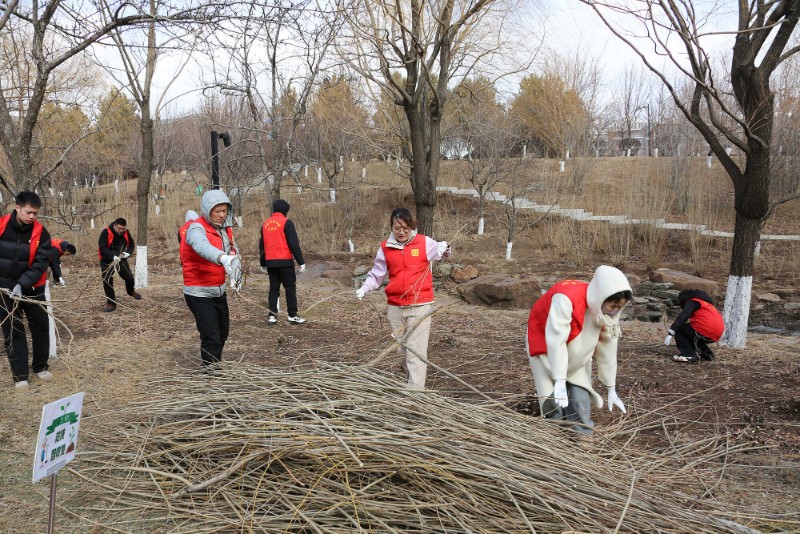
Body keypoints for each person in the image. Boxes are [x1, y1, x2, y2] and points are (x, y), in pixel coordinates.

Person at [526, 265, 632, 438]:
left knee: (580, 391)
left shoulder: (605, 312)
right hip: (544, 343)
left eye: (618, 308)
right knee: (552, 398)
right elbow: (556, 338)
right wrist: (559, 379)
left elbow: (608, 345)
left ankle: (582, 436)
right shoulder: (565, 298)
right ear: (601, 297)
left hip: (578, 345)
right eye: (612, 306)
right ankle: (554, 434)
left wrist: (611, 387)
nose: (614, 312)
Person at [355, 208, 451, 389]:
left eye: (405, 228)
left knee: (416, 351)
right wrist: (365, 287)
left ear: (411, 227)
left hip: (420, 304)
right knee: (402, 351)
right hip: (395, 306)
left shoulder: (424, 242)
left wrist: (444, 249)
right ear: (391, 227)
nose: (401, 232)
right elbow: (377, 273)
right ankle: (410, 385)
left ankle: (415, 395)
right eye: (397, 228)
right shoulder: (385, 247)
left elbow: (441, 253)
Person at [0, 191, 53, 389]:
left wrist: (22, 283)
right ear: (17, 208)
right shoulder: (1, 226)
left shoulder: (41, 233)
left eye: (35, 213)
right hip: (4, 291)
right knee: (13, 331)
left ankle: (40, 367)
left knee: (40, 327)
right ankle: (20, 376)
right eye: (29, 212)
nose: (32, 217)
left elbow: (41, 263)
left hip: (32, 288)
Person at [181, 190, 240, 367]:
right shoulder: (195, 228)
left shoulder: (224, 230)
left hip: (218, 290)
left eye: (224, 211)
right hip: (199, 292)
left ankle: (214, 364)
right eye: (218, 211)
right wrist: (222, 258)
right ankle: (211, 376)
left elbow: (233, 252)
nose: (222, 215)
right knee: (211, 336)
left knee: (222, 333)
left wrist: (236, 274)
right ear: (207, 210)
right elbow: (201, 246)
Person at [259, 199, 307, 325]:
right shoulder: (286, 222)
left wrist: (263, 263)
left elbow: (262, 246)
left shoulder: (265, 224)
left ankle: (272, 316)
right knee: (290, 288)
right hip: (285, 262)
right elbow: (293, 244)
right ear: (285, 210)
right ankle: (292, 315)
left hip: (270, 263)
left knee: (273, 289)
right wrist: (301, 262)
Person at [665, 289, 724, 363]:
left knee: (680, 330)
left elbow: (683, 316)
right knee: (693, 337)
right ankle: (708, 355)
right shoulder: (708, 305)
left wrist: (672, 331)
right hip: (716, 334)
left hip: (704, 329)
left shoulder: (693, 301)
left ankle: (688, 354)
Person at [98, 217, 140, 312]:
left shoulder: (126, 232)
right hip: (107, 260)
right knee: (107, 281)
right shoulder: (105, 232)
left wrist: (127, 253)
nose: (121, 231)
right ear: (115, 225)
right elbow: (102, 248)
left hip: (121, 259)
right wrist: (112, 257)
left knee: (129, 278)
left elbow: (131, 245)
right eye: (119, 228)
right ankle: (111, 303)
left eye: (123, 228)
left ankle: (131, 291)